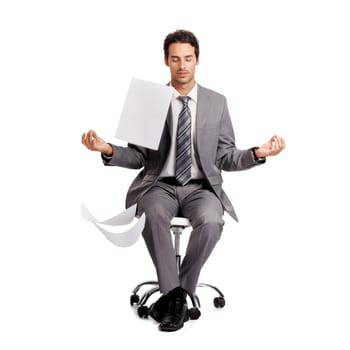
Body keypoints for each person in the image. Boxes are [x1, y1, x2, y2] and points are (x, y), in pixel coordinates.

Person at [81, 29, 285, 332]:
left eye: (188, 58)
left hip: (201, 188)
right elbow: (138, 157)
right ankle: (176, 297)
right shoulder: (151, 100)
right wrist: (107, 149)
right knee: (151, 213)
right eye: (175, 59)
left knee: (212, 221)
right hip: (159, 185)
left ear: (197, 60)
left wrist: (258, 153)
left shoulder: (217, 103)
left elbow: (226, 157)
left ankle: (176, 294)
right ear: (166, 61)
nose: (182, 66)